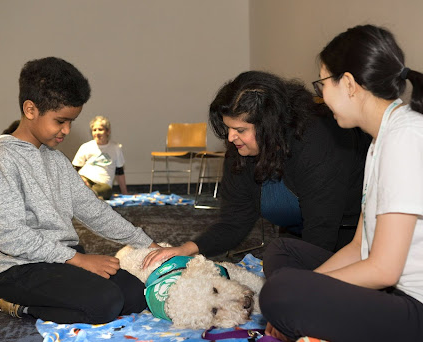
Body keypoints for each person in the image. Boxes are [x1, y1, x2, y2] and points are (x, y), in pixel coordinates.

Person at [260, 25, 423, 342]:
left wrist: (306, 293)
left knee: (280, 292)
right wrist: (311, 288)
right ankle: (312, 316)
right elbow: (358, 247)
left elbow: (383, 270)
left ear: (348, 84)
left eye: (323, 84)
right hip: (395, 290)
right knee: (283, 253)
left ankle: (310, 317)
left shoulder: (407, 137)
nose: (321, 96)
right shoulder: (383, 139)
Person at [0, 57, 159, 325]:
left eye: (72, 121)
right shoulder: (1, 159)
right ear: (30, 109)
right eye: (61, 121)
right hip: (16, 269)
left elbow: (94, 210)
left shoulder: (56, 159)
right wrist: (78, 259)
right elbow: (10, 237)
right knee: (104, 304)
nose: (67, 131)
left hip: (59, 259)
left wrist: (146, 243)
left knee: (137, 296)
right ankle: (18, 305)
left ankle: (74, 286)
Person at [143, 70, 371, 268]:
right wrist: (187, 249)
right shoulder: (241, 150)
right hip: (303, 234)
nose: (231, 137)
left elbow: (321, 231)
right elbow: (234, 222)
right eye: (228, 128)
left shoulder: (316, 141)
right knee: (279, 262)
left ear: (270, 127)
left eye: (241, 130)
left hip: (351, 236)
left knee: (284, 273)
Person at [72, 116, 129, 199]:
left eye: (100, 129)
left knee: (106, 191)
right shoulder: (85, 147)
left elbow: (119, 172)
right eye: (94, 130)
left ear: (108, 131)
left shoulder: (116, 148)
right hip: (85, 179)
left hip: (103, 184)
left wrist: (125, 192)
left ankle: (89, 195)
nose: (97, 133)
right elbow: (74, 169)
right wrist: (80, 179)